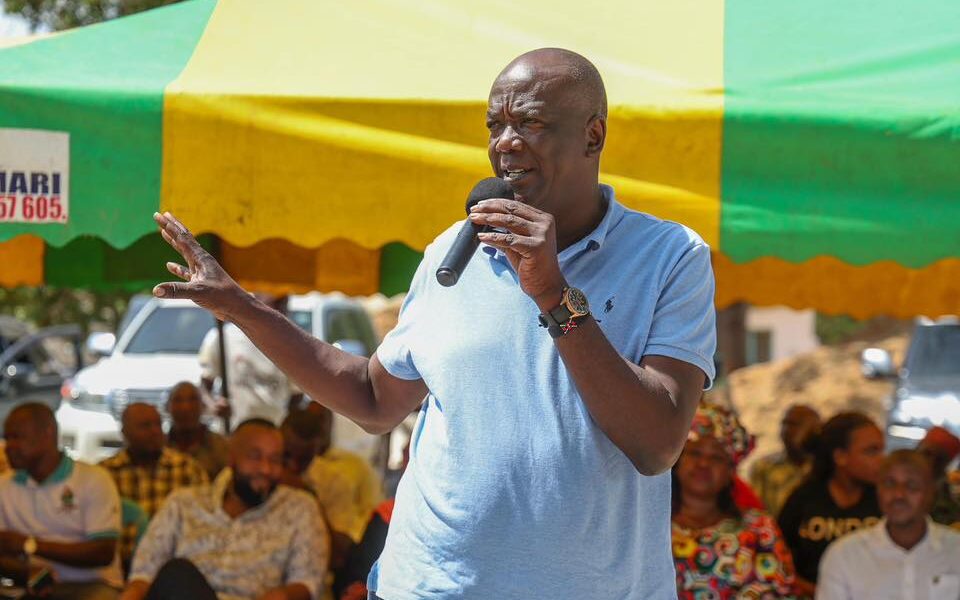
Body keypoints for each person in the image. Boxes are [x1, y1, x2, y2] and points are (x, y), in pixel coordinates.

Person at [151, 47, 716, 599]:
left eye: (531, 123)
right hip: (428, 584)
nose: (506, 142)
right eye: (495, 125)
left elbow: (656, 443)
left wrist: (553, 293)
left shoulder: (669, 256)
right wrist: (242, 308)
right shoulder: (454, 251)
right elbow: (373, 398)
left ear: (593, 135)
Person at [120, 419, 327, 600]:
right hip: (184, 593)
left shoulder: (300, 508)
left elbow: (308, 581)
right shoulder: (183, 503)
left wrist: (283, 595)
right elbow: (143, 574)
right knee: (178, 575)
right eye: (255, 457)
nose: (265, 469)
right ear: (232, 458)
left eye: (274, 460)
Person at [672, 402, 796, 598]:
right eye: (695, 453)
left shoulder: (759, 530)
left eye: (716, 458)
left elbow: (782, 591)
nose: (703, 463)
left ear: (731, 470)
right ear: (677, 460)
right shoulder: (647, 527)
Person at [0, 403, 122, 599]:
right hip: (30, 585)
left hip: (92, 585)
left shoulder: (93, 479)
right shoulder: (4, 485)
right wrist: (26, 572)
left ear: (47, 434)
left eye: (17, 437)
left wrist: (29, 545)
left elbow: (103, 553)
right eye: (7, 438)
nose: (9, 446)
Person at [816, 450, 960, 599]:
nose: (899, 494)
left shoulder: (955, 550)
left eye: (912, 486)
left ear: (931, 493)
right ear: (878, 490)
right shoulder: (845, 556)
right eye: (889, 484)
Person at [778, 411, 884, 597]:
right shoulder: (804, 499)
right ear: (840, 456)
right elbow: (777, 558)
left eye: (881, 450)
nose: (881, 460)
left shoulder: (884, 501)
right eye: (871, 451)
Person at [100, 403, 208, 568]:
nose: (155, 431)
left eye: (158, 424)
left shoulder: (187, 468)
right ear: (124, 432)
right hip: (122, 564)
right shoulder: (106, 473)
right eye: (145, 426)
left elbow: (206, 521)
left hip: (175, 563)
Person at [198, 294, 301, 429]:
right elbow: (204, 386)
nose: (280, 309)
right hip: (233, 431)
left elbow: (296, 395)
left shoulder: (292, 344)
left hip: (272, 433)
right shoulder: (224, 336)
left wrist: (286, 426)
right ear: (257, 300)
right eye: (275, 302)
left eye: (283, 303)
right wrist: (213, 405)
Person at [301, 403, 382, 545]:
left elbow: (372, 510)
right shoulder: (292, 467)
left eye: (321, 419)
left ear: (330, 423)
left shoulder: (356, 465)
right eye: (308, 419)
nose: (315, 425)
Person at [750, 404, 822, 516]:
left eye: (794, 425)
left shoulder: (825, 467)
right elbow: (754, 513)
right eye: (784, 424)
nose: (786, 430)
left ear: (815, 430)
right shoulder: (764, 467)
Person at [165, 381, 230, 479]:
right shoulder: (159, 446)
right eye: (178, 400)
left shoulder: (220, 445)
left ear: (202, 406)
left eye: (193, 399)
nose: (186, 407)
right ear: (168, 407)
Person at [917, 425, 960, 527]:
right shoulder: (894, 476)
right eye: (927, 454)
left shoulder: (944, 495)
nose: (930, 462)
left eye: (939, 459)